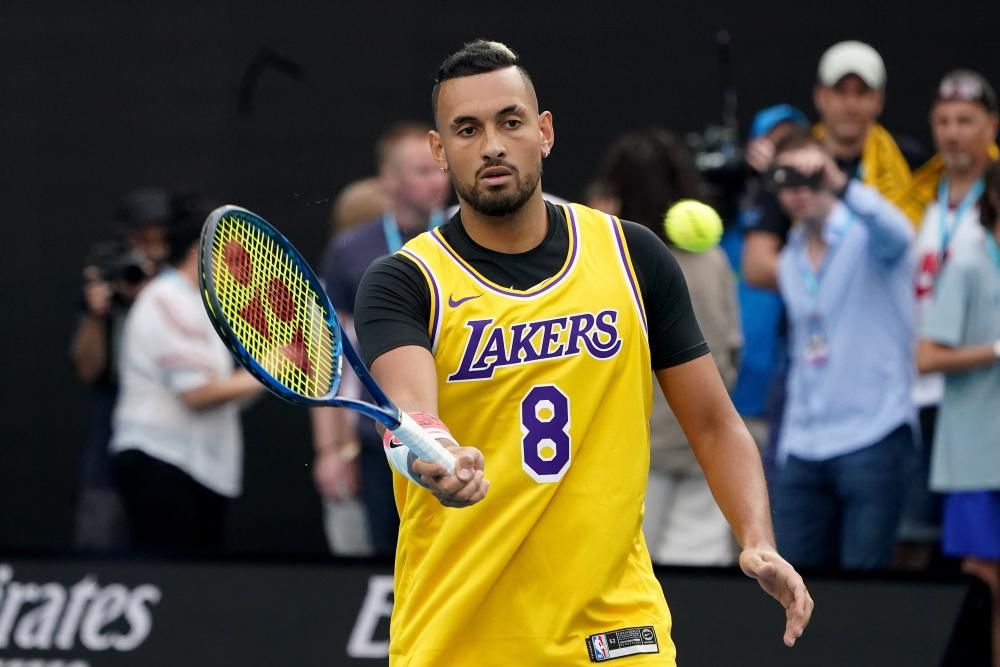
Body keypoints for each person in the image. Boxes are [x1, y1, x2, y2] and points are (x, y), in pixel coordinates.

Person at [354, 40, 811, 666]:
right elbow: (408, 417)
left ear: (543, 132)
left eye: (509, 122)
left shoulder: (632, 256)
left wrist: (757, 539)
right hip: (459, 636)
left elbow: (713, 423)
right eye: (467, 129)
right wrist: (433, 460)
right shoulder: (405, 280)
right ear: (440, 150)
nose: (491, 144)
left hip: (616, 633)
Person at [591, 127, 742, 566]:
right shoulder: (713, 261)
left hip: (641, 459)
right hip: (698, 451)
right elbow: (732, 356)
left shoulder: (610, 264)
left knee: (623, 582)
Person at [770, 130, 915, 570]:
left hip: (872, 435)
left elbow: (902, 233)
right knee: (798, 588)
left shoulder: (867, 236)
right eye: (788, 179)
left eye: (810, 177)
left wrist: (841, 183)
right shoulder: (789, 257)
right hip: (806, 446)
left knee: (864, 588)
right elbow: (803, 352)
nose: (800, 190)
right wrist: (788, 443)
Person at [312, 122, 451, 556]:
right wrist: (331, 450)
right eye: (422, 171)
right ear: (389, 178)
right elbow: (326, 355)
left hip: (463, 432)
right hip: (381, 441)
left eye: (440, 168)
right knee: (386, 562)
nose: (438, 181)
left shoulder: (471, 236)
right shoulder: (350, 250)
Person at [110, 196, 264, 554]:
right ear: (200, 250)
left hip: (200, 472)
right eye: (232, 250)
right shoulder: (166, 299)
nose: (243, 262)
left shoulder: (205, 304)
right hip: (159, 465)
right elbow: (197, 394)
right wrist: (272, 368)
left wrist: (271, 371)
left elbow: (224, 394)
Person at [901, 71, 999, 566]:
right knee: (916, 533)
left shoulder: (997, 200)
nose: (953, 132)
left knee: (978, 554)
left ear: (991, 125)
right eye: (943, 121)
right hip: (917, 387)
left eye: (965, 120)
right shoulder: (919, 195)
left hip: (980, 394)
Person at [743, 40, 912, 291]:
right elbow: (757, 266)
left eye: (862, 92)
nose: (850, 104)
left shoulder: (910, 161)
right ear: (820, 96)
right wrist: (830, 284)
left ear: (878, 100)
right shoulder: (790, 164)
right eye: (840, 91)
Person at [917, 160, 1000, 667]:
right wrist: (995, 350)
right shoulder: (968, 262)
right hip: (974, 455)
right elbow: (927, 357)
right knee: (985, 582)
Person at [69, 187, 169, 550]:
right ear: (125, 240)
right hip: (108, 458)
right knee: (100, 550)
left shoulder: (178, 289)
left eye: (160, 242)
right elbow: (87, 369)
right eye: (143, 241)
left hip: (170, 459)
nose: (152, 252)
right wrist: (97, 312)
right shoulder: (110, 280)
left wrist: (152, 300)